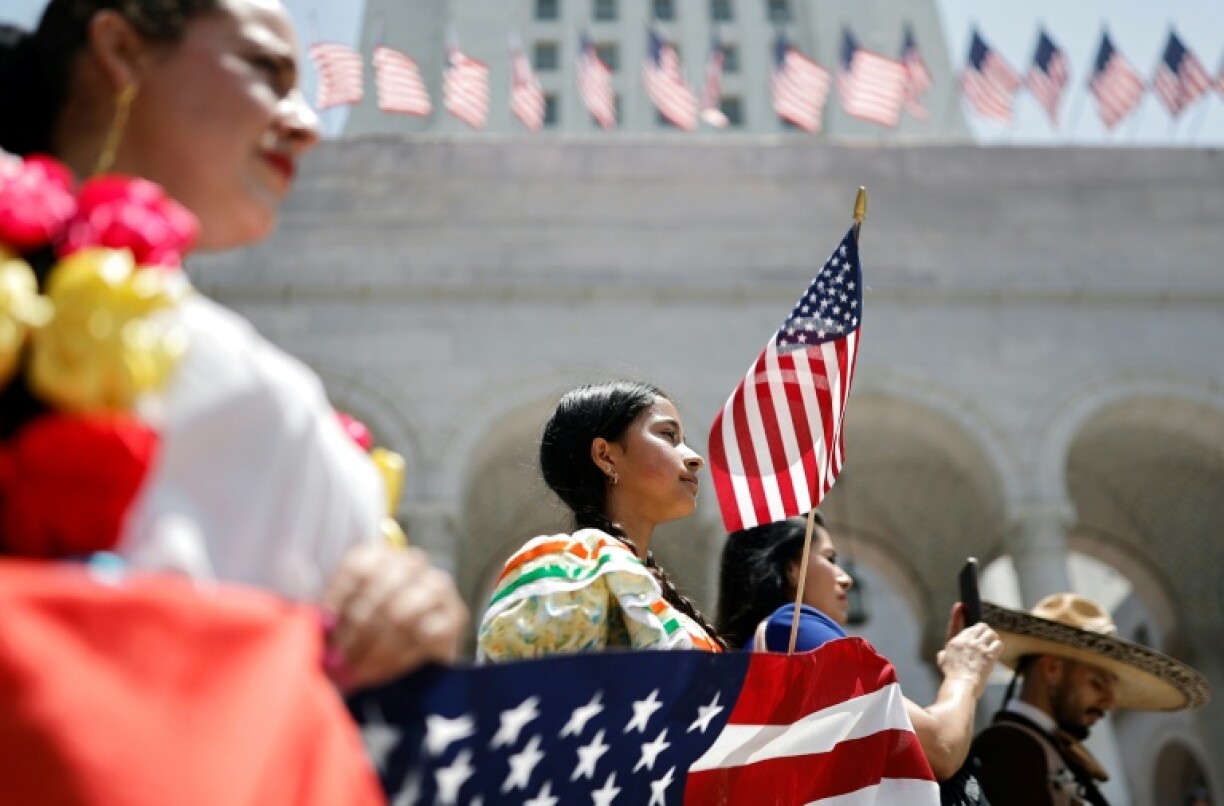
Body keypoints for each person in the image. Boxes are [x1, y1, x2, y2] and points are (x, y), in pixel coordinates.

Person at [0, 0, 466, 689]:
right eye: (266, 70)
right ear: (121, 50)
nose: (306, 125)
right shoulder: (255, 396)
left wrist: (401, 626)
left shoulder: (270, 400)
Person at [716, 514, 1003, 784]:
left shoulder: (751, 648)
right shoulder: (791, 626)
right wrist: (964, 674)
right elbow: (940, 748)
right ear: (793, 569)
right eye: (829, 559)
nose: (846, 578)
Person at [478, 380, 725, 660]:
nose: (695, 458)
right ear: (605, 456)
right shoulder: (566, 576)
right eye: (668, 435)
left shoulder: (659, 596)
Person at [973, 593, 1210, 806]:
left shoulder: (1042, 746)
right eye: (1097, 683)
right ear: (1052, 669)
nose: (1109, 702)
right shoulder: (1008, 747)